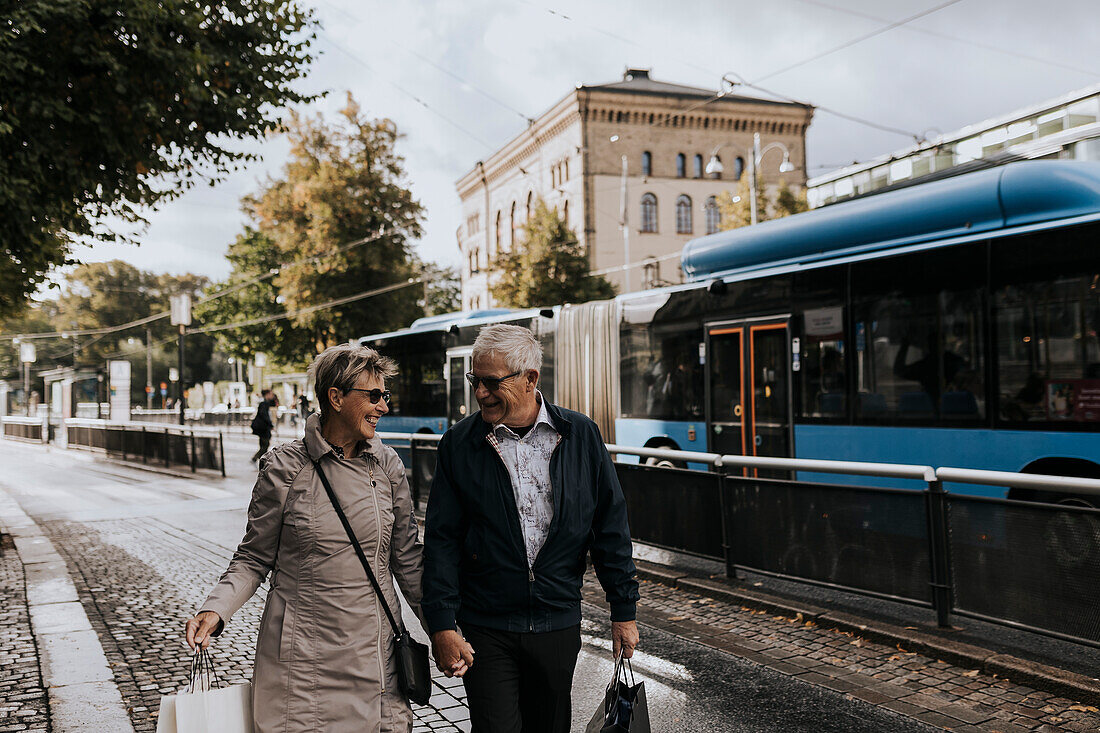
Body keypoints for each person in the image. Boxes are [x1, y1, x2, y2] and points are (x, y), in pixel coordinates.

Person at [184, 344, 424, 732]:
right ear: (336, 397)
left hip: (375, 657)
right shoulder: (283, 468)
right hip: (303, 665)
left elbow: (409, 561)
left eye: (386, 396)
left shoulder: (387, 465)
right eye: (374, 396)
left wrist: (446, 632)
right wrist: (216, 609)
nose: (383, 407)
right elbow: (253, 558)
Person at [423, 324, 640, 733]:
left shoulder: (580, 434)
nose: (481, 393)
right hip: (487, 626)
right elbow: (441, 542)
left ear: (530, 379)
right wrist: (442, 625)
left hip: (557, 622)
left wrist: (623, 611)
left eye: (491, 382)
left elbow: (610, 526)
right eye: (476, 381)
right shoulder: (458, 444)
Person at [250, 389, 274, 463]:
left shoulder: (265, 403)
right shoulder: (264, 403)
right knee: (265, 444)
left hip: (263, 428)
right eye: (270, 394)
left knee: (263, 445)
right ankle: (256, 458)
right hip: (263, 428)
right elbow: (264, 415)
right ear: (267, 394)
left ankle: (262, 461)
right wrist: (270, 424)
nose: (272, 395)